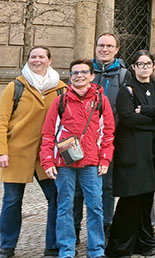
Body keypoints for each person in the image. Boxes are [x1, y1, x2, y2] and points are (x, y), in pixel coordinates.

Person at [106, 50, 155, 257]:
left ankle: (144, 243)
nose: (146, 67)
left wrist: (147, 111)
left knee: (147, 198)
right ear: (134, 67)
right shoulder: (126, 90)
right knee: (130, 199)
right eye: (141, 64)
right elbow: (129, 118)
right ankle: (121, 246)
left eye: (149, 64)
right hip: (133, 153)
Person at [40, 59, 115, 258]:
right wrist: (47, 161)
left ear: (92, 76)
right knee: (65, 207)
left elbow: (107, 132)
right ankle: (66, 250)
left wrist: (105, 159)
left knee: (95, 207)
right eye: (75, 73)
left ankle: (96, 250)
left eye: (83, 72)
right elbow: (48, 133)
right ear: (70, 76)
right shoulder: (61, 101)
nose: (79, 76)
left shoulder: (101, 101)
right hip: (64, 163)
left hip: (91, 162)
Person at [0, 46, 66, 258]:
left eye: (41, 57)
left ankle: (52, 246)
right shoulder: (16, 86)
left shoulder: (61, 89)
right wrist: (2, 151)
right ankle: (6, 245)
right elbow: (1, 121)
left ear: (50, 60)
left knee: (55, 197)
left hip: (48, 156)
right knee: (12, 201)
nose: (37, 60)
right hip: (17, 153)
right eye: (33, 57)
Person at [74, 33, 126, 240]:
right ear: (95, 47)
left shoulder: (124, 75)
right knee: (77, 189)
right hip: (80, 143)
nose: (104, 49)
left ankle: (104, 230)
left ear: (116, 49)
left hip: (109, 142)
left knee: (106, 187)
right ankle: (74, 229)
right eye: (101, 45)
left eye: (109, 46)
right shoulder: (83, 70)